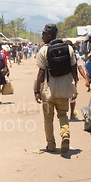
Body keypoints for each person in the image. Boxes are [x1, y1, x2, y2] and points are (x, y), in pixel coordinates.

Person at [34, 23, 78, 154]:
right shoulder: (69, 49)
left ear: (49, 35)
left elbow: (41, 73)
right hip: (64, 90)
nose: (42, 37)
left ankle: (51, 145)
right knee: (63, 114)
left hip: (49, 90)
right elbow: (73, 69)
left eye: (43, 34)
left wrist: (37, 91)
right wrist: (74, 85)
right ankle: (65, 135)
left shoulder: (43, 50)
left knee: (48, 118)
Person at [70, 44, 90, 119]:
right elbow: (80, 68)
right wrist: (85, 78)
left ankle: (66, 114)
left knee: (69, 97)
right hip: (72, 79)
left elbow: (80, 68)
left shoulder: (75, 56)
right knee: (72, 97)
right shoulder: (76, 56)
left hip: (66, 80)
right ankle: (70, 114)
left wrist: (85, 78)